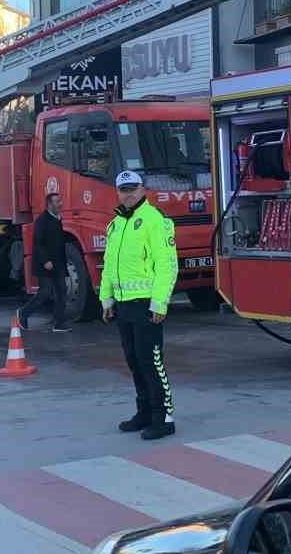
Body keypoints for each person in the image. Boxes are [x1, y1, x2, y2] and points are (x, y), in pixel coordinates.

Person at [99, 171, 179, 440]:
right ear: (117, 192)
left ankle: (163, 418)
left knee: (152, 361)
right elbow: (109, 265)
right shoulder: (115, 224)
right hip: (123, 306)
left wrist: (160, 303)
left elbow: (167, 266)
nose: (128, 193)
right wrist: (106, 299)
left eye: (133, 188)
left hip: (147, 306)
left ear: (143, 190)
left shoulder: (155, 221)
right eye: (123, 189)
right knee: (134, 361)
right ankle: (144, 412)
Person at [18, 193, 69, 332]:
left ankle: (59, 323)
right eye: (57, 201)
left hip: (58, 264)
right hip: (45, 265)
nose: (60, 204)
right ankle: (23, 313)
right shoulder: (42, 220)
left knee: (62, 291)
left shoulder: (58, 219)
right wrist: (45, 260)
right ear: (49, 204)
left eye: (60, 200)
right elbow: (37, 243)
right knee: (45, 292)